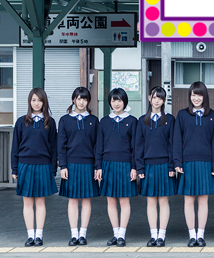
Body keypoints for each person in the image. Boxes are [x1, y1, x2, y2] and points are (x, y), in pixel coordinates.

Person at [173, 81, 214, 247]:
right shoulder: (182, 115)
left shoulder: (213, 116)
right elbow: (177, 140)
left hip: (206, 163)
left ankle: (200, 235)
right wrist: (177, 161)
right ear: (190, 96)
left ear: (205, 96)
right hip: (187, 163)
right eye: (193, 95)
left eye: (199, 95)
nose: (196, 98)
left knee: (203, 201)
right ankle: (191, 235)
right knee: (188, 200)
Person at [12, 87, 58, 246]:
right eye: (33, 100)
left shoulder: (50, 122)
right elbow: (15, 147)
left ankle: (39, 235)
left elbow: (53, 148)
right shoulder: (21, 122)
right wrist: (14, 168)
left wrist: (53, 169)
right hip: (25, 165)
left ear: (44, 102)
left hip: (43, 165)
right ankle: (30, 235)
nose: (36, 103)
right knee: (27, 202)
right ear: (29, 101)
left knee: (40, 202)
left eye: (39, 100)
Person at [96, 88, 138, 247]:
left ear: (124, 102)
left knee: (124, 201)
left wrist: (134, 167)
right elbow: (99, 146)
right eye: (114, 100)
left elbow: (135, 147)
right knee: (111, 200)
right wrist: (98, 166)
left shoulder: (132, 121)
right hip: (108, 164)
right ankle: (115, 233)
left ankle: (122, 234)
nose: (116, 103)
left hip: (126, 165)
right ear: (110, 102)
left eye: (119, 100)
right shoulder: (104, 122)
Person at [135, 86, 176, 247]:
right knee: (151, 201)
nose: (157, 100)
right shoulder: (142, 121)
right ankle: (153, 235)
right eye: (154, 97)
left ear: (164, 100)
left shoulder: (169, 120)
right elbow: (138, 145)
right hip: (148, 166)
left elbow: (173, 144)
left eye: (160, 97)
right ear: (149, 98)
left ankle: (162, 236)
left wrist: (172, 166)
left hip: (165, 165)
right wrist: (140, 167)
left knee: (164, 201)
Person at [58, 86, 98, 246]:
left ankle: (83, 234)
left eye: (85, 99)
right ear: (73, 100)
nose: (81, 102)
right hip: (71, 165)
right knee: (73, 200)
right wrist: (63, 166)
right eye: (79, 98)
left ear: (88, 101)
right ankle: (74, 234)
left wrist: (97, 166)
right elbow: (61, 145)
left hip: (88, 164)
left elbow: (97, 146)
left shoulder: (93, 120)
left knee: (86, 199)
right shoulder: (65, 120)